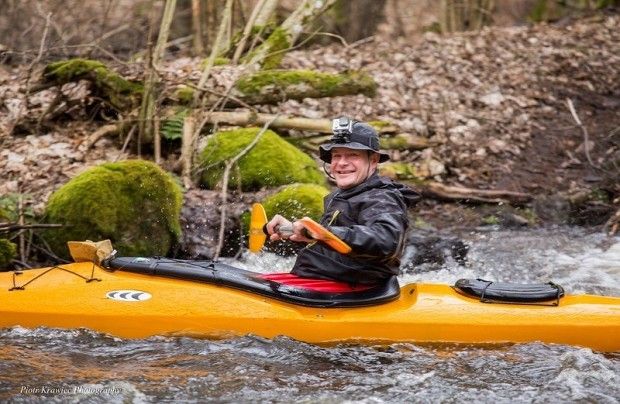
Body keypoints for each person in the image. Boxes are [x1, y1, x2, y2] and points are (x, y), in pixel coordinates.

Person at [266, 117, 420, 285]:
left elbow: (386, 241)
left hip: (351, 293)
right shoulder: (342, 196)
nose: (341, 163)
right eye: (336, 156)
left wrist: (323, 233)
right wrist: (292, 231)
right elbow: (334, 247)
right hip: (321, 282)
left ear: (373, 160)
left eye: (353, 155)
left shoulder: (381, 198)